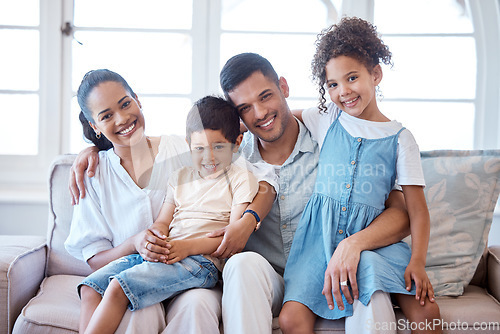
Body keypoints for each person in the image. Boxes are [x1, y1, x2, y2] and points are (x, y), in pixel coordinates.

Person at [70, 53, 411, 333]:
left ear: (283, 87)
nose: (260, 113)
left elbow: (395, 205)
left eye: (265, 97)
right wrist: (95, 151)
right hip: (264, 279)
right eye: (245, 109)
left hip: (315, 276)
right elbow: (173, 145)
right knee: (243, 263)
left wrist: (250, 220)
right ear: (238, 122)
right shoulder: (226, 156)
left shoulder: (330, 137)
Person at [64, 69, 275, 334]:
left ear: (137, 99)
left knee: (170, 299)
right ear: (94, 125)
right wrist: (137, 242)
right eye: (106, 116)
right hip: (155, 259)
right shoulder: (95, 174)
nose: (122, 118)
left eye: (125, 104)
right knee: (92, 286)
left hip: (194, 263)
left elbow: (253, 162)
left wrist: (247, 221)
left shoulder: (183, 150)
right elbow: (96, 256)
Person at [279, 17, 441, 334]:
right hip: (319, 241)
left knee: (427, 314)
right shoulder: (328, 117)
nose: (344, 91)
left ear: (376, 74)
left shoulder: (401, 138)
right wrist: (243, 127)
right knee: (290, 319)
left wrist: (418, 262)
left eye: (352, 77)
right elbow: (288, 116)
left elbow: (417, 210)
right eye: (333, 84)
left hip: (374, 240)